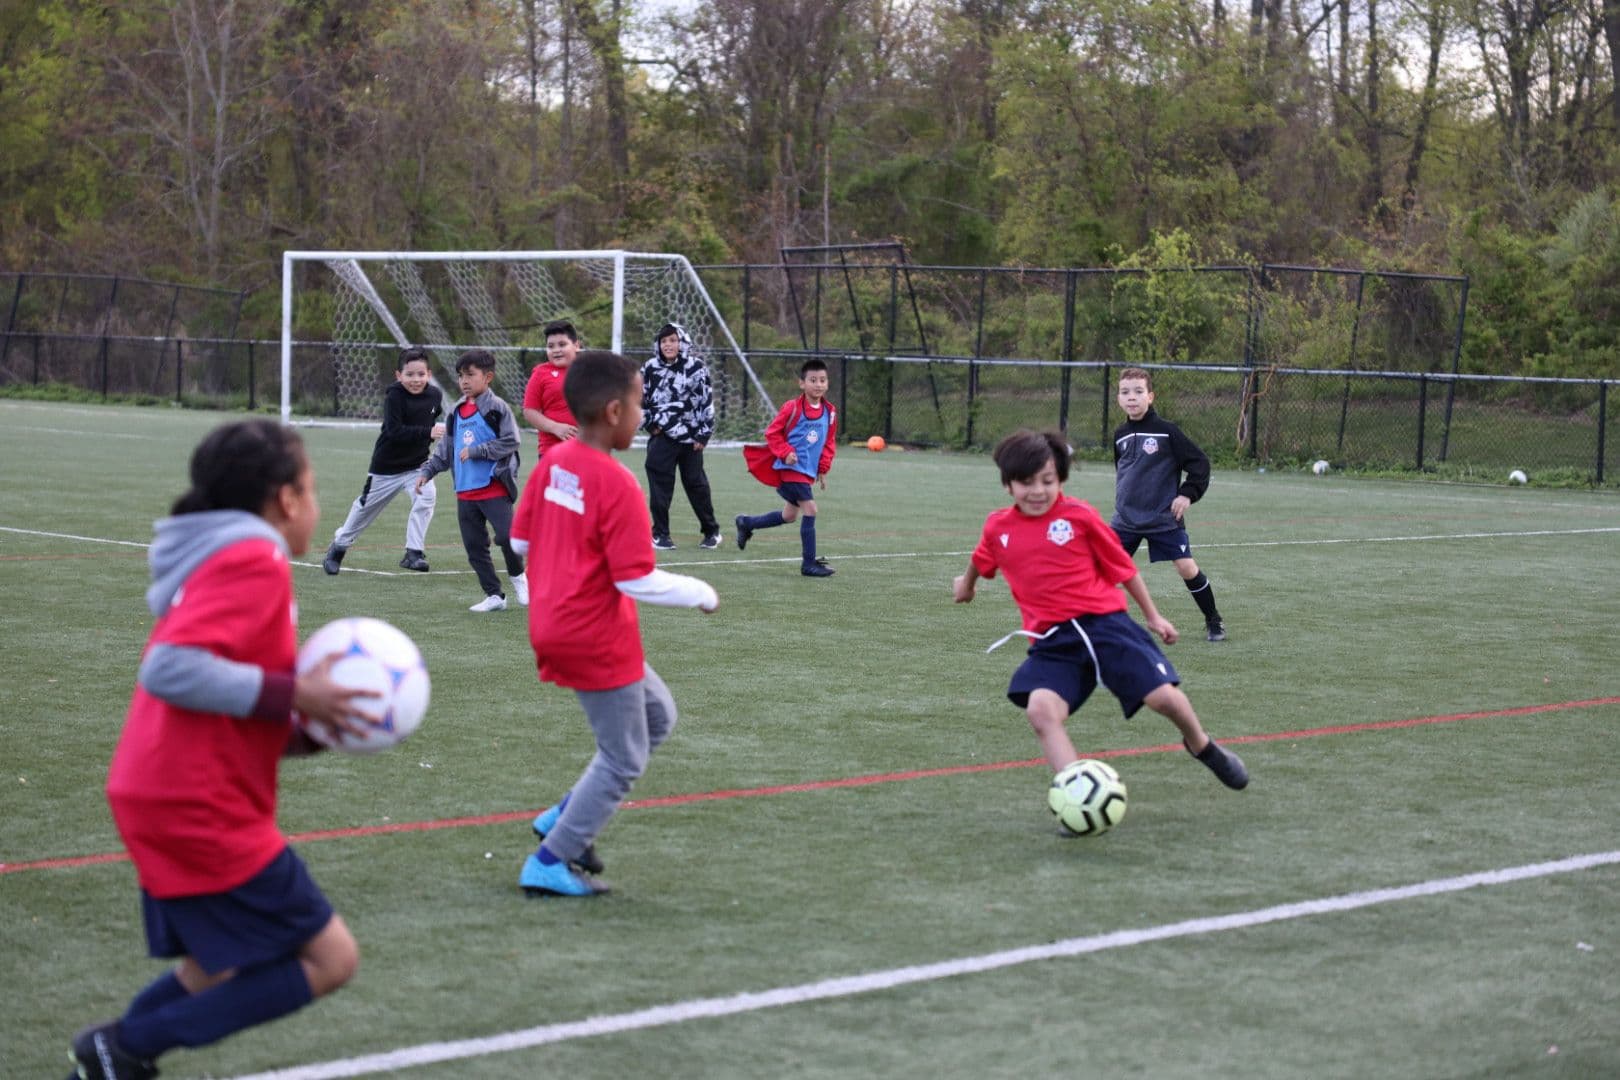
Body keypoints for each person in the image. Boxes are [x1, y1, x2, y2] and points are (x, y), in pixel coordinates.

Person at [68, 419, 378, 1080]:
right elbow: (170, 669)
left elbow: (223, 696)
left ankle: (107, 1059)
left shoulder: (227, 554)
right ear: (286, 500)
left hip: (166, 788)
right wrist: (297, 694)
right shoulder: (253, 556)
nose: (317, 504)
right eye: (314, 487)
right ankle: (122, 1048)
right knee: (332, 959)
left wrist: (303, 734)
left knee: (216, 966)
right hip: (194, 801)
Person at [511, 349, 719, 897]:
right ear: (611, 412)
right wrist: (700, 591)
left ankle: (563, 817)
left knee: (657, 717)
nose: (642, 415)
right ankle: (550, 861)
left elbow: (519, 540)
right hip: (594, 632)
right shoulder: (617, 482)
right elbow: (636, 579)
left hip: (553, 622)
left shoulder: (554, 463)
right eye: (638, 404)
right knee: (624, 757)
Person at [952, 429, 1248, 792]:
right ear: (1007, 486)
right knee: (1040, 711)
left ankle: (1202, 745)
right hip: (1053, 641)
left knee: (1163, 697)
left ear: (1060, 478)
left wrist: (1153, 617)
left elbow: (1123, 570)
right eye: (1026, 483)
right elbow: (982, 559)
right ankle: (1077, 793)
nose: (1038, 491)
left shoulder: (1080, 516)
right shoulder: (999, 527)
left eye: (1048, 481)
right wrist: (966, 586)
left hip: (1107, 627)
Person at [1111, 366, 1228, 642]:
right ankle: (1091, 626)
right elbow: (1123, 471)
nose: (1132, 397)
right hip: (1125, 520)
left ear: (1150, 397)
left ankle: (1213, 619)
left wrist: (1187, 493)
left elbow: (1199, 463)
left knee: (1186, 567)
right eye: (1125, 392)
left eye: (1138, 392)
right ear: (1118, 399)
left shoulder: (1167, 432)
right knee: (1102, 571)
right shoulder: (1120, 435)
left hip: (1163, 517)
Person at [416, 349, 526, 612]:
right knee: (475, 548)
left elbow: (512, 441)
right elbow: (446, 451)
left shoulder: (498, 408)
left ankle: (519, 577)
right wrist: (427, 471)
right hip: (465, 492)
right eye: (460, 376)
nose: (464, 381)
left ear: (487, 377)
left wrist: (479, 451)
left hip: (493, 487)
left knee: (508, 537)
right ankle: (494, 596)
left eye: (470, 375)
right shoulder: (455, 411)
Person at [321, 346, 446, 575]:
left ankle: (413, 553)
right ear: (398, 375)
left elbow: (431, 419)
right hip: (386, 468)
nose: (416, 379)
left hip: (417, 466)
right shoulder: (394, 396)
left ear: (429, 374)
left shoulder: (435, 396)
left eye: (421, 374)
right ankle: (338, 547)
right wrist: (427, 432)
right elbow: (394, 430)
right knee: (364, 510)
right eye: (409, 375)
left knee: (427, 497)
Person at [734, 358, 837, 577]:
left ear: (827, 383)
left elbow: (828, 441)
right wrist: (785, 452)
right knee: (811, 509)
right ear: (802, 383)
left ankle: (746, 523)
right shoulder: (792, 407)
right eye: (813, 380)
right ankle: (808, 564)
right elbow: (772, 433)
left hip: (807, 472)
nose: (818, 385)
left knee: (789, 515)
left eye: (822, 380)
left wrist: (823, 467)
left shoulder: (830, 412)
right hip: (790, 471)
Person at [641, 322, 721, 550]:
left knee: (697, 486)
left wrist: (703, 435)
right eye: (664, 340)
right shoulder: (649, 368)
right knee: (660, 488)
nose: (668, 345)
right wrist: (651, 425)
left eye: (673, 340)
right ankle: (661, 535)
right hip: (662, 438)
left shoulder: (697, 367)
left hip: (691, 440)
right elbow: (639, 397)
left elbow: (706, 400)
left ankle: (711, 531)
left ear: (682, 342)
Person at [521, 319, 582, 460]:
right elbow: (529, 411)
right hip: (552, 451)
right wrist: (555, 427)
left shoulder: (587, 371)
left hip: (585, 450)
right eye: (551, 346)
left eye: (562, 344)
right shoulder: (540, 373)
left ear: (576, 345)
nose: (556, 350)